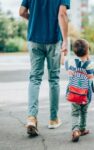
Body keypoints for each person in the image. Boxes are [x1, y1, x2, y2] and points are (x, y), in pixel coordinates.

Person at [19, 0, 70, 136]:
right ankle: (53, 119)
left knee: (35, 78)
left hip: (34, 39)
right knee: (54, 79)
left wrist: (35, 19)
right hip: (53, 40)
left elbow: (22, 12)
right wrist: (65, 40)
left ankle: (31, 118)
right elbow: (62, 14)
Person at [64, 39, 94, 142]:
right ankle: (82, 129)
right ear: (88, 51)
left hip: (73, 93)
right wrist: (88, 60)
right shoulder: (91, 64)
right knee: (84, 111)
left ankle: (75, 130)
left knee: (75, 112)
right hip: (86, 94)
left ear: (74, 52)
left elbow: (66, 66)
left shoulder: (71, 62)